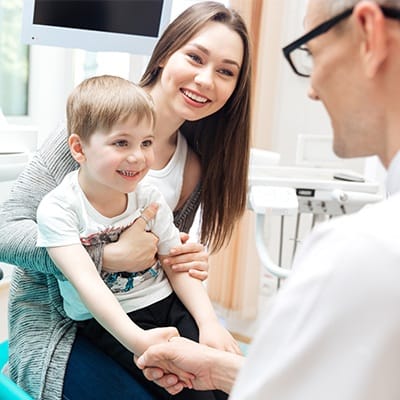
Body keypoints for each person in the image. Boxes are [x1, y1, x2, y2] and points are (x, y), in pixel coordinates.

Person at [136, 1, 400, 399]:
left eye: (311, 52)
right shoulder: (95, 123)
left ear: (370, 33)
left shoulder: (364, 251)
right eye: (195, 57)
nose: (310, 90)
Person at [0, 1, 252, 399]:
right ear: (167, 52)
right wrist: (106, 256)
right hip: (62, 326)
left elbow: (157, 258)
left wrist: (182, 257)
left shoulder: (195, 165)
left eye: (225, 71)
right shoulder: (95, 128)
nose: (206, 80)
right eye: (195, 57)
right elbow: (5, 232)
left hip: (152, 310)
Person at [36, 74, 240, 400]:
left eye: (146, 143)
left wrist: (209, 323)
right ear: (79, 148)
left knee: (231, 385)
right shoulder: (59, 209)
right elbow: (87, 284)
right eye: (121, 143)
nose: (138, 157)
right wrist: (137, 341)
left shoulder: (148, 195)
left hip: (166, 302)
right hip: (109, 320)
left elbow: (175, 262)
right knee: (192, 394)